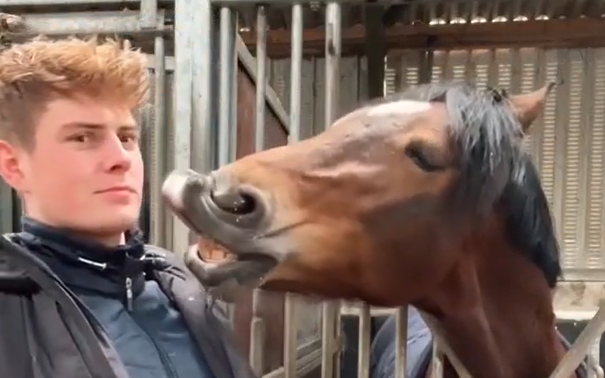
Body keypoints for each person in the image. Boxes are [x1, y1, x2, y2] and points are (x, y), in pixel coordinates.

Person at [0, 36, 255, 378]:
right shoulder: (10, 309)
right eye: (82, 138)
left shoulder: (179, 288)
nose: (120, 159)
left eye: (126, 137)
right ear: (14, 165)